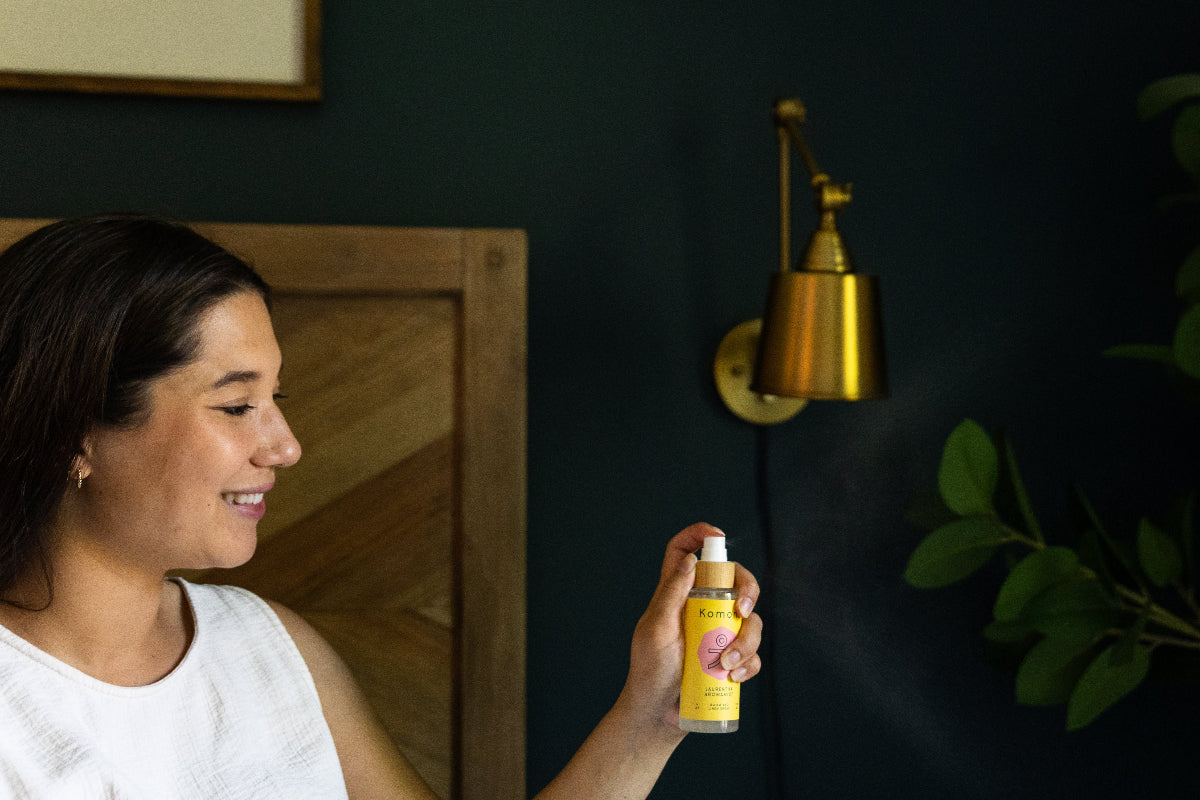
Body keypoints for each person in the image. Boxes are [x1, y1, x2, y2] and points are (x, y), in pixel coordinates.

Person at [0, 213, 763, 799]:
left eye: (277, 399)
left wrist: (653, 712)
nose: (285, 446)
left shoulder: (272, 650)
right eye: (236, 407)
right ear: (76, 433)